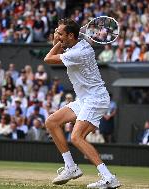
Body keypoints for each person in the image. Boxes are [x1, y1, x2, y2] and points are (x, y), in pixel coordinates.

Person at [44, 18, 120, 188]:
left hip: (96, 99)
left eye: (61, 33)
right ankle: (71, 167)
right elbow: (62, 46)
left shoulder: (78, 53)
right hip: (85, 99)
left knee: (77, 137)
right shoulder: (78, 44)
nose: (57, 35)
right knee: (52, 122)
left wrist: (56, 42)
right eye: (57, 32)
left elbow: (48, 59)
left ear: (71, 35)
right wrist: (60, 39)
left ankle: (109, 178)